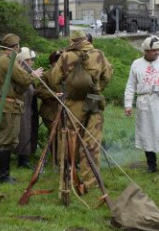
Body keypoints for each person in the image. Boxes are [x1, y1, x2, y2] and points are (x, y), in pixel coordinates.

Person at [48, 30, 114, 191]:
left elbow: (54, 79)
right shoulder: (98, 54)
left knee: (70, 138)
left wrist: (64, 93)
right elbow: (108, 74)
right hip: (95, 100)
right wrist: (97, 89)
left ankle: (69, 175)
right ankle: (89, 180)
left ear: (71, 40)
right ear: (85, 39)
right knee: (92, 140)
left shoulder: (65, 56)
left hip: (73, 103)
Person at [0, 33, 43, 183]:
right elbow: (24, 79)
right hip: (7, 106)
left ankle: (2, 174)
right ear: (16, 47)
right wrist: (34, 75)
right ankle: (2, 176)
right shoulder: (8, 60)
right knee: (6, 141)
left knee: (2, 140)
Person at [124, 35, 159, 174]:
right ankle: (151, 166)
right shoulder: (136, 64)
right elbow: (131, 85)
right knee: (147, 133)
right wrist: (128, 105)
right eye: (154, 50)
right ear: (146, 51)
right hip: (145, 104)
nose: (157, 52)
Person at [13, 47, 40, 169]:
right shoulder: (20, 74)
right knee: (22, 134)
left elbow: (31, 91)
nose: (32, 62)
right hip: (21, 108)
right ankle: (22, 161)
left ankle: (26, 157)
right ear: (23, 62)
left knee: (28, 132)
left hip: (29, 109)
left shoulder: (27, 74)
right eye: (29, 60)